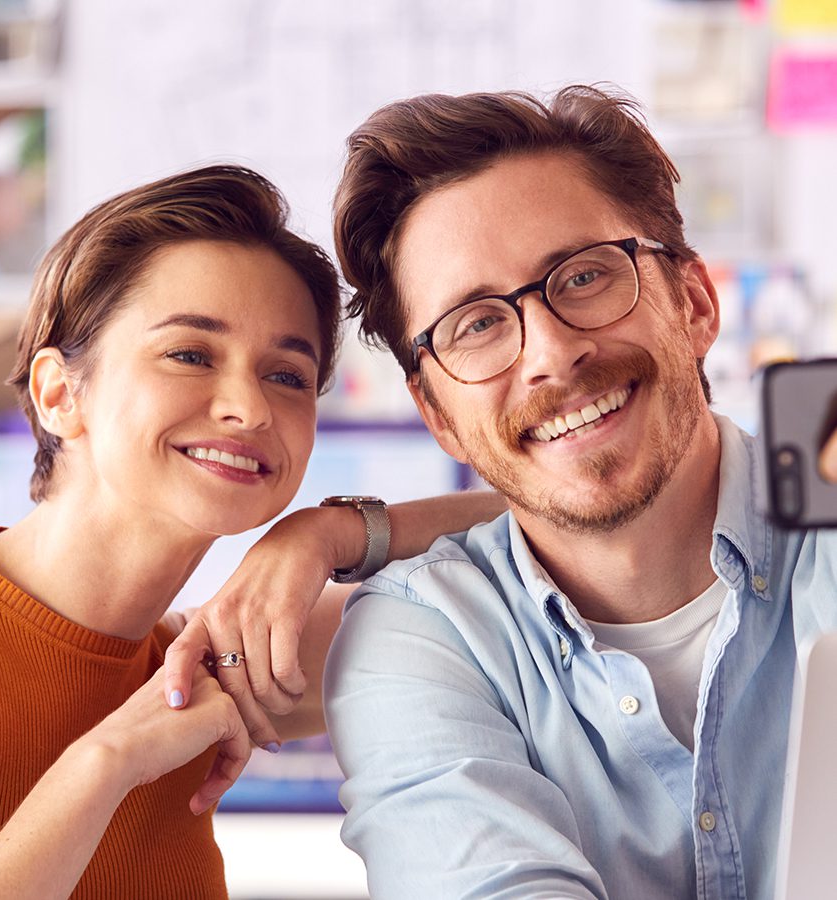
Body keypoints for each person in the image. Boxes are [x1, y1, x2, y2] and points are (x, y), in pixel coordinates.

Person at [0, 164, 504, 899]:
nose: (250, 408)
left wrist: (329, 534)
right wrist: (107, 763)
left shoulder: (214, 659)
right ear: (59, 394)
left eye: (287, 375)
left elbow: (571, 522)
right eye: (190, 354)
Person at [313, 84, 837, 899]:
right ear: (438, 416)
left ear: (695, 304)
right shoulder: (426, 638)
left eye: (584, 276)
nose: (552, 354)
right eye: (477, 324)